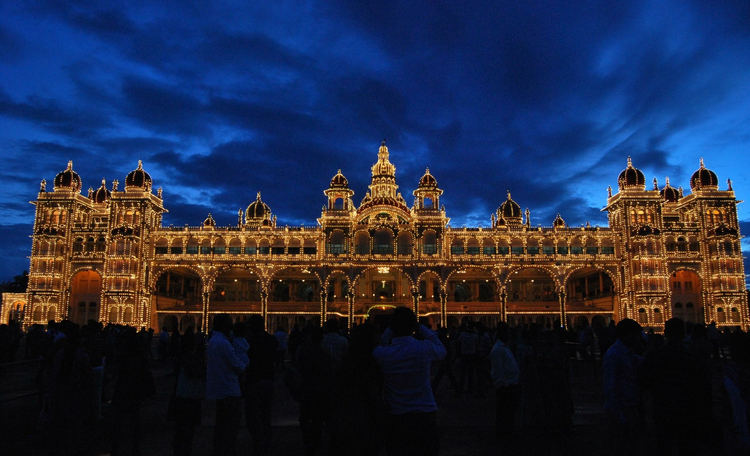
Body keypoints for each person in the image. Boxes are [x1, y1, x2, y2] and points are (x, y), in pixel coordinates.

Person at [372, 306, 447, 456]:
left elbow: (378, 346)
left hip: (397, 416)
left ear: (393, 327)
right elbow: (442, 349)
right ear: (413, 326)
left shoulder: (384, 354)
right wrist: (422, 328)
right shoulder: (424, 348)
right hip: (425, 413)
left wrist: (389, 330)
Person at [642, 318, 711, 455]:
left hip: (662, 408)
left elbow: (645, 382)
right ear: (684, 333)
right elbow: (702, 387)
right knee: (687, 446)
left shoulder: (654, 356)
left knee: (664, 445)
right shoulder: (692, 357)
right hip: (687, 410)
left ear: (665, 333)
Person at [206, 314, 248, 456]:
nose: (232, 325)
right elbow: (238, 365)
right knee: (230, 426)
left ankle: (219, 450)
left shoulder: (214, 341)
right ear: (223, 325)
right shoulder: (224, 343)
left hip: (219, 388)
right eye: (229, 322)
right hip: (229, 388)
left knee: (221, 425)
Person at [602, 319, 645, 456]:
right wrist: (619, 415)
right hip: (622, 408)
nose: (639, 338)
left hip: (630, 405)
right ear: (629, 335)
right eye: (637, 334)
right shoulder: (614, 355)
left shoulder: (627, 353)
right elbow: (609, 387)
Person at [244, 315, 279, 456]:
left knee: (253, 415)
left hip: (253, 379)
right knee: (266, 414)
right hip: (268, 379)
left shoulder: (248, 340)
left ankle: (258, 443)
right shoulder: (270, 339)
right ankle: (266, 442)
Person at [490, 323, 520, 441]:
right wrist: (504, 384)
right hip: (505, 385)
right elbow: (499, 369)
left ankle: (507, 431)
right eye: (507, 333)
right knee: (505, 411)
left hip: (510, 383)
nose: (509, 335)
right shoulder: (498, 349)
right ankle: (504, 433)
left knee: (508, 411)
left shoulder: (504, 347)